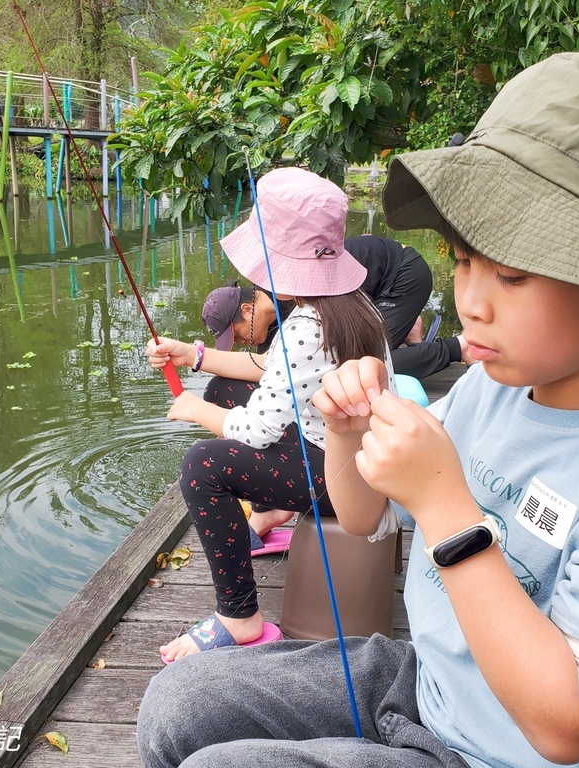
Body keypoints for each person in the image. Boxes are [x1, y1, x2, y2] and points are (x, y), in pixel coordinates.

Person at [137, 53, 579, 767]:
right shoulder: (493, 386)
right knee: (175, 703)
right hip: (431, 688)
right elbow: (365, 516)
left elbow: (570, 724)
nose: (470, 300)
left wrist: (446, 506)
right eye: (464, 261)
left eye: (513, 274)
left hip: (506, 752)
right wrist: (346, 433)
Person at [145, 166, 393, 663]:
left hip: (340, 481)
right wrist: (189, 354)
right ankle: (273, 511)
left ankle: (239, 616)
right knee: (226, 386)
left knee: (202, 465)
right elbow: (267, 370)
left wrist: (195, 409)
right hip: (354, 459)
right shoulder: (351, 305)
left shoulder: (303, 326)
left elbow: (256, 432)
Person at [202, 236, 470, 379]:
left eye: (235, 334)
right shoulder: (270, 327)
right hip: (369, 295)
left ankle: (458, 347)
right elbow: (266, 367)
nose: (239, 343)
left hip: (402, 273)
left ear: (248, 310)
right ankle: (402, 321)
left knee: (368, 363)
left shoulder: (291, 286)